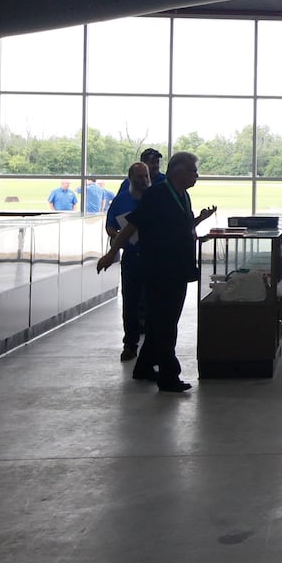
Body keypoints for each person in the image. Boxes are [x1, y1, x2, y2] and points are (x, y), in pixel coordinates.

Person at [97, 152, 216, 393]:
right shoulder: (157, 195)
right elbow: (132, 225)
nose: (197, 175)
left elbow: (181, 227)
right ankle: (169, 375)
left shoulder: (184, 197)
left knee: (161, 322)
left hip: (178, 267)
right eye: (193, 170)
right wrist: (112, 253)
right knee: (165, 324)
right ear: (179, 172)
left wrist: (200, 220)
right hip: (160, 269)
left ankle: (143, 367)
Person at [104, 162, 152, 362]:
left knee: (151, 302)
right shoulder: (121, 200)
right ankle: (130, 344)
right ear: (130, 179)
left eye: (145, 176)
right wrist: (119, 235)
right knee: (130, 302)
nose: (143, 180)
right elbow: (110, 226)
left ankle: (151, 346)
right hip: (132, 257)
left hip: (152, 257)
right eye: (139, 177)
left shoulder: (155, 198)